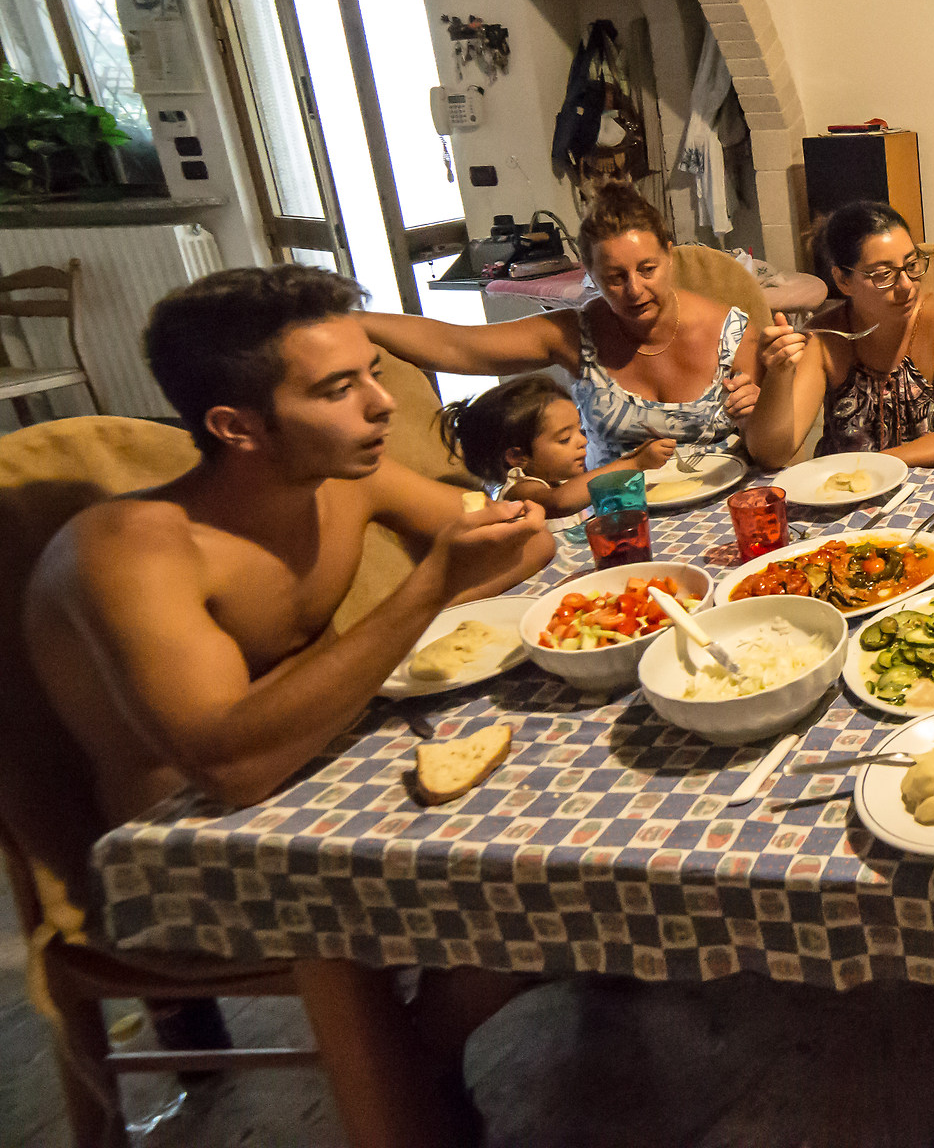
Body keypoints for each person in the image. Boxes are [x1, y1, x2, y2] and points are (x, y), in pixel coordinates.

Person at [20, 266, 558, 1143]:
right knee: (540, 882)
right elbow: (233, 765)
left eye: (373, 372)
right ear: (237, 427)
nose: (383, 405)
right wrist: (426, 589)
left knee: (566, 814)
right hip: (191, 866)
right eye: (339, 388)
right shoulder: (131, 551)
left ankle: (416, 1055)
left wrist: (488, 541)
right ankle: (403, 1090)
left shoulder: (341, 480)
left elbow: (517, 540)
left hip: (322, 784)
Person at [361, 186, 804, 469]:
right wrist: (350, 320)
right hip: (615, 520)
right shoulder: (576, 333)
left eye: (648, 268)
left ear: (670, 257)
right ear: (589, 274)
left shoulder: (733, 331)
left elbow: (772, 451)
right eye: (614, 277)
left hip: (718, 513)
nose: (634, 289)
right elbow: (457, 345)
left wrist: (768, 396)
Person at [772, 200, 934, 465]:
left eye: (911, 266)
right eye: (883, 274)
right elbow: (775, 452)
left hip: (927, 491)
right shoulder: (824, 337)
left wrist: (877, 465)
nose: (906, 286)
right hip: (842, 494)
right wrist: (777, 374)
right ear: (843, 280)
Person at [439, 373, 674, 514]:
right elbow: (560, 502)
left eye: (579, 430)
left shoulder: (557, 476)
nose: (582, 441)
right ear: (518, 457)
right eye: (564, 439)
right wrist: (634, 464)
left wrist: (632, 458)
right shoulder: (518, 490)